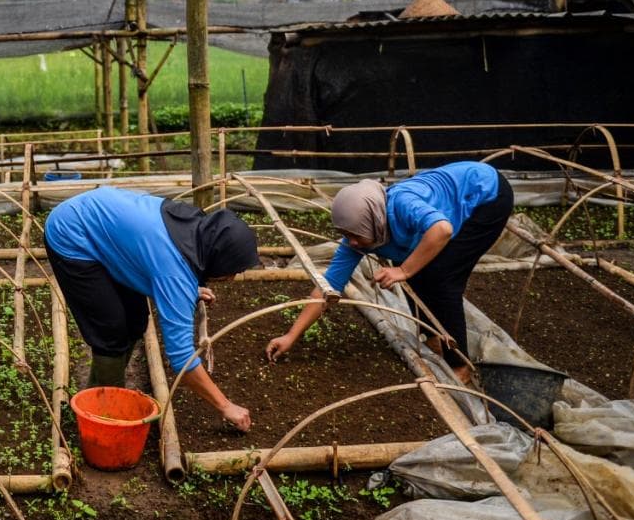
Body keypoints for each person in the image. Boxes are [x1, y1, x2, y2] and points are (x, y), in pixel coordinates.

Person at [266, 161, 513, 384]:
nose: (351, 241)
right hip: (453, 204)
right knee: (418, 272)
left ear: (372, 220)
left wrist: (404, 270)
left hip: (486, 195)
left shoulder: (402, 205)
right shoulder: (361, 234)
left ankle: (460, 365)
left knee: (442, 279)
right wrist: (290, 336)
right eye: (346, 234)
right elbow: (327, 288)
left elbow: (442, 229)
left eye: (355, 234)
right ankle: (434, 339)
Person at [44, 185, 261, 432]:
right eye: (233, 270)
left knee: (136, 320)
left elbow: (158, 263)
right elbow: (182, 359)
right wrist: (225, 405)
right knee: (110, 331)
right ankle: (104, 412)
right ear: (219, 258)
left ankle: (98, 389)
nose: (232, 278)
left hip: (103, 221)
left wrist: (188, 289)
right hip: (71, 233)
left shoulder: (195, 230)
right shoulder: (174, 272)